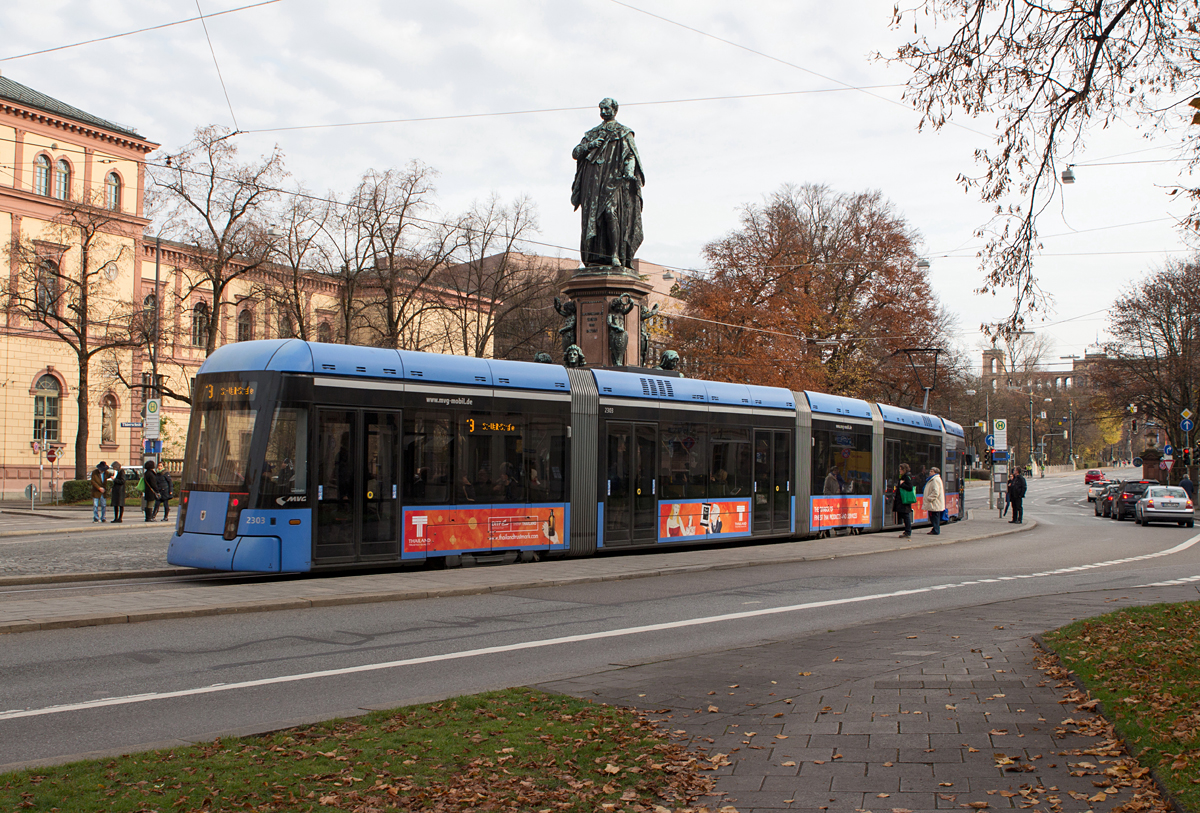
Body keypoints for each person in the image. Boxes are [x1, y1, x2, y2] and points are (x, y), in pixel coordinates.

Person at [571, 97, 645, 269]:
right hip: (593, 184)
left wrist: (628, 172)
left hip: (613, 181)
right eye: (601, 109)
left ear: (615, 110)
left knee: (611, 213)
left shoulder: (623, 132)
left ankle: (615, 255)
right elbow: (575, 153)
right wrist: (590, 145)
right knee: (592, 220)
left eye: (606, 108)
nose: (603, 112)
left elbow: (630, 155)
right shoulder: (592, 134)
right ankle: (593, 257)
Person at [893, 462, 915, 538]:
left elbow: (910, 487)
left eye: (900, 469)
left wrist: (902, 484)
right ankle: (907, 530)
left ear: (904, 470)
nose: (899, 471)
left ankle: (908, 531)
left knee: (906, 515)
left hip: (904, 500)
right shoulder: (904, 476)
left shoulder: (906, 476)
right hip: (902, 500)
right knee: (904, 515)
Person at [923, 465, 945, 535]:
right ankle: (935, 529)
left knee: (934, 517)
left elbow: (936, 492)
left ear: (935, 472)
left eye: (931, 471)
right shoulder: (934, 479)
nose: (930, 472)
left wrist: (929, 498)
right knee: (934, 516)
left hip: (934, 502)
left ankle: (935, 530)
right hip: (934, 502)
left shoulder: (935, 480)